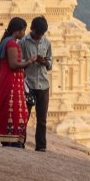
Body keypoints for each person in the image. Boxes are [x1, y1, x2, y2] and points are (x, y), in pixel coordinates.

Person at [0, 17, 45, 147]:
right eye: (23, 30)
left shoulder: (9, 42)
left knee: (10, 113)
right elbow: (13, 65)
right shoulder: (11, 43)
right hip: (10, 84)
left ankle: (10, 141)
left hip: (11, 82)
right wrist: (30, 61)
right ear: (17, 31)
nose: (24, 33)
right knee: (16, 114)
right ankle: (10, 142)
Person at [19, 15, 54, 152]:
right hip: (29, 84)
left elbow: (50, 63)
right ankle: (20, 143)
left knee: (42, 120)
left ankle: (41, 146)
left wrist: (45, 62)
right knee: (24, 117)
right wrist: (30, 61)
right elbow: (18, 62)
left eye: (42, 34)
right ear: (32, 29)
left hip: (43, 85)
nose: (40, 36)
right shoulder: (23, 42)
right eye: (38, 33)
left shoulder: (47, 43)